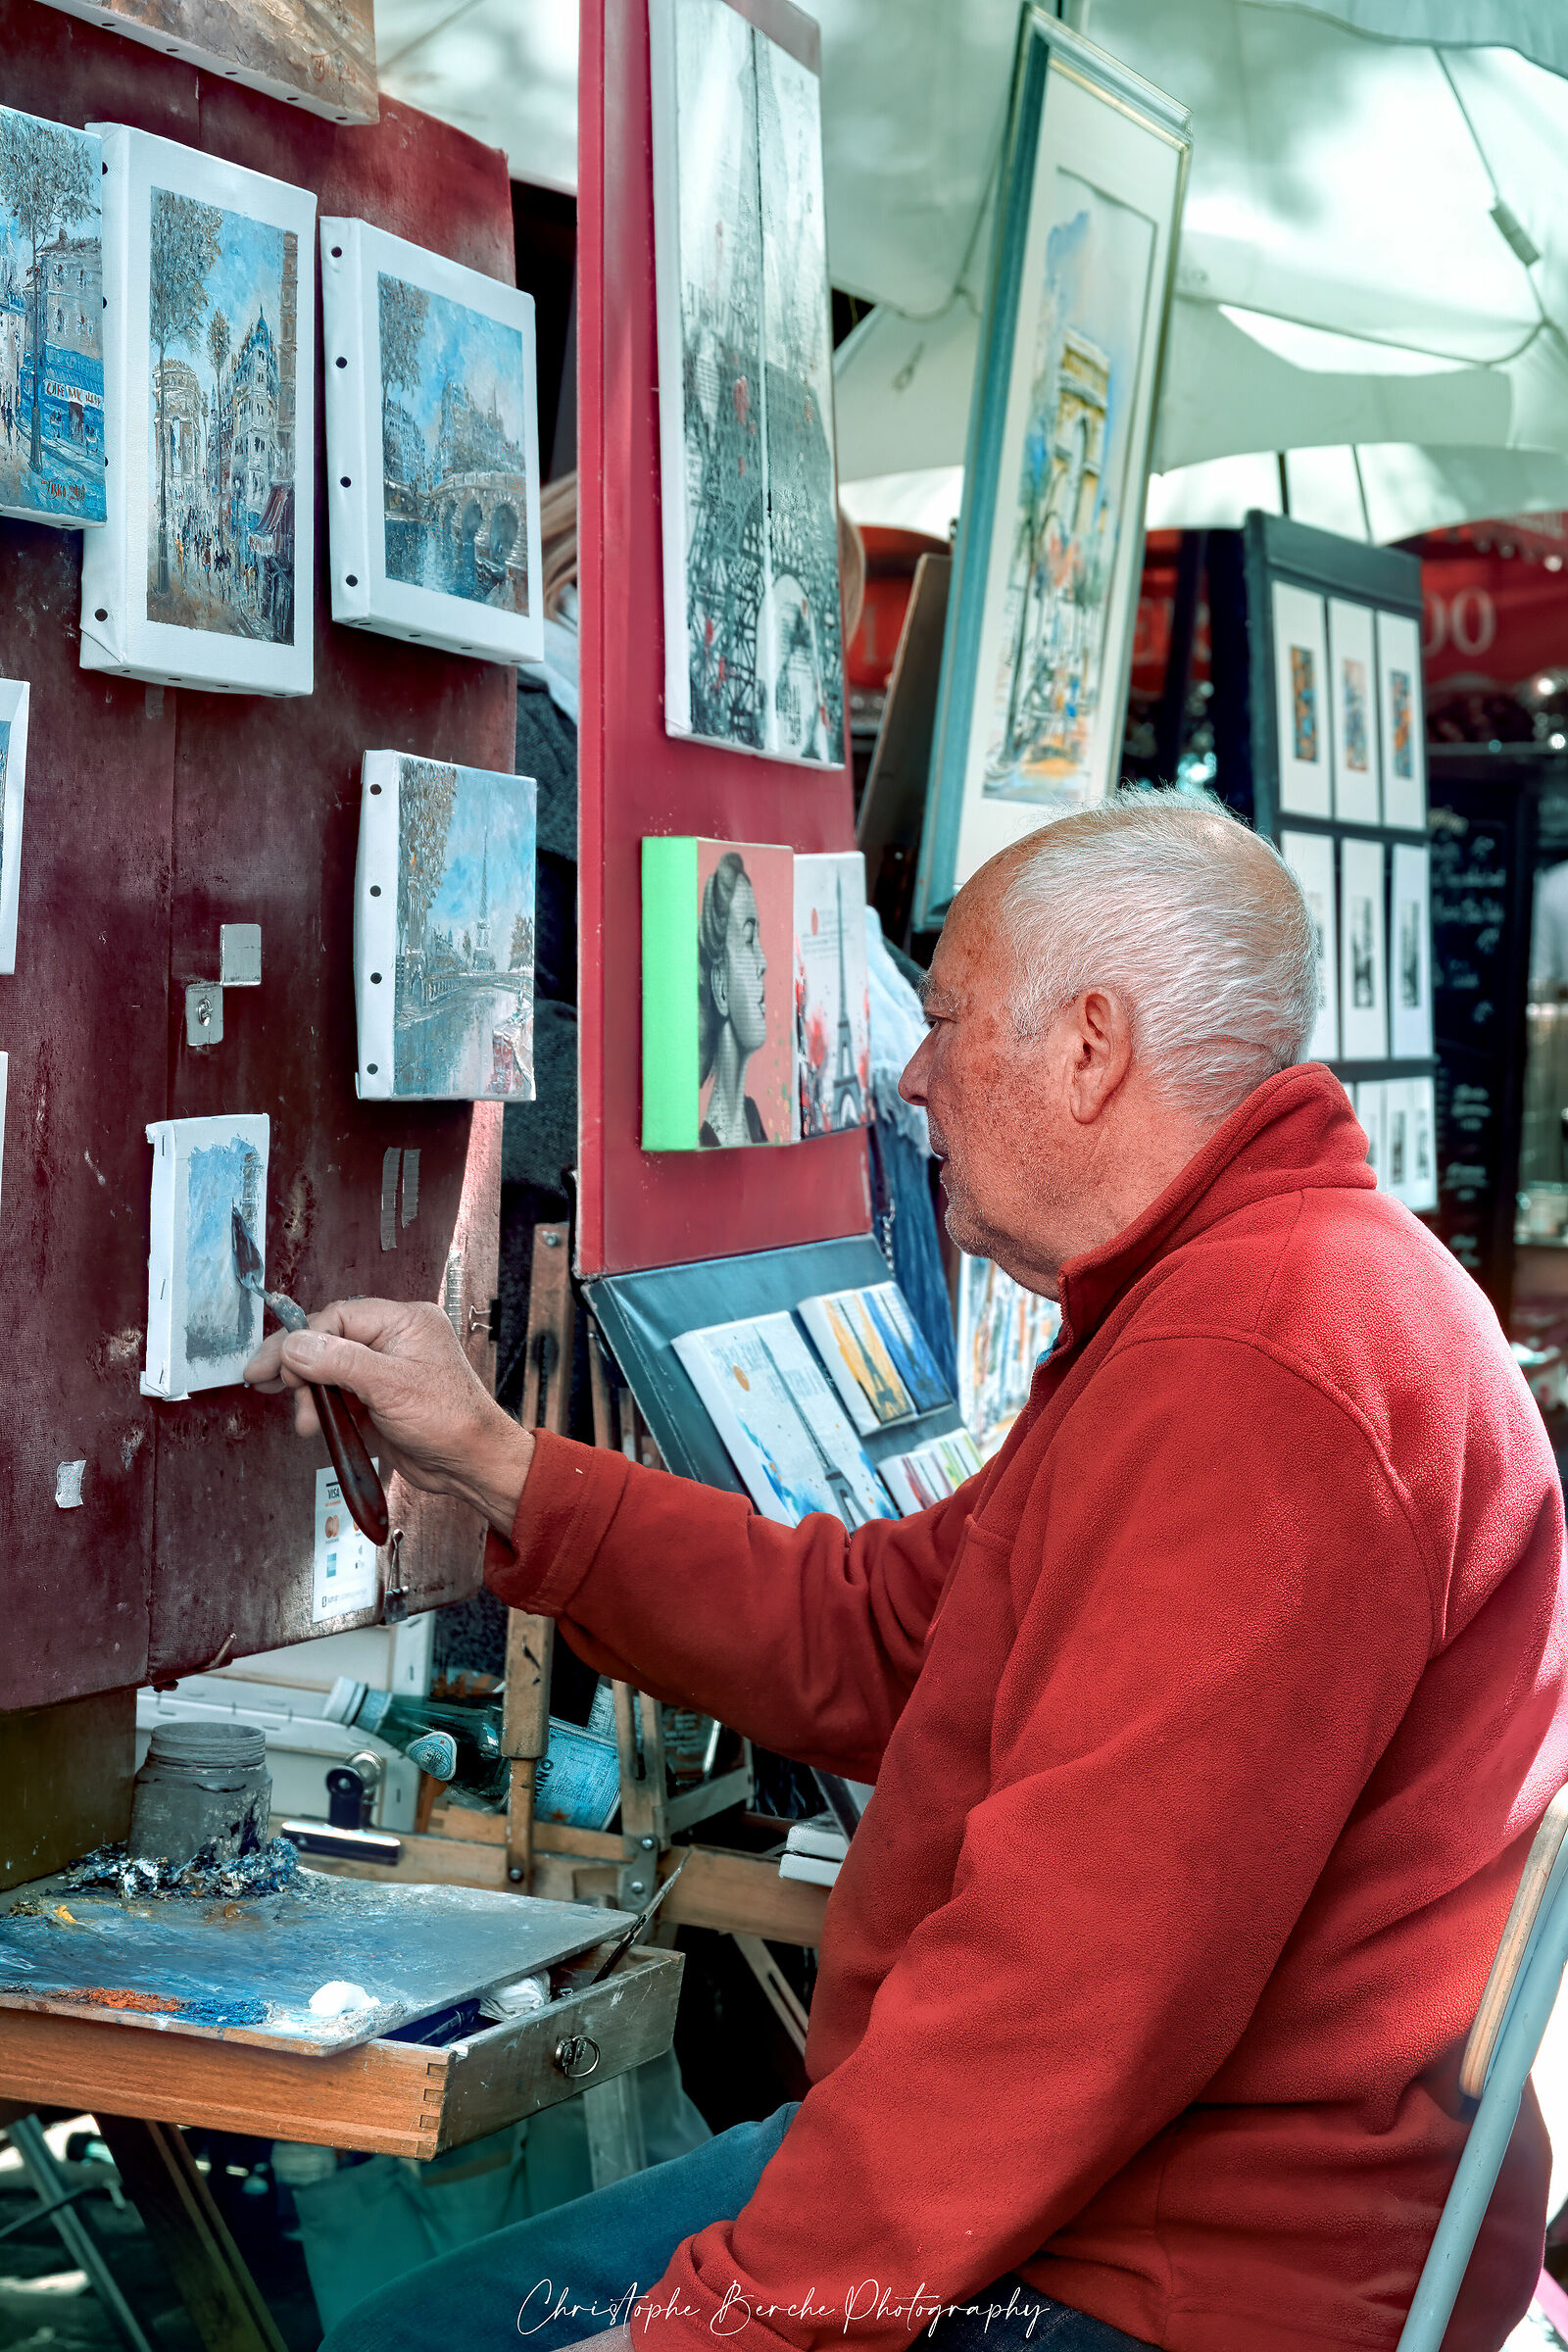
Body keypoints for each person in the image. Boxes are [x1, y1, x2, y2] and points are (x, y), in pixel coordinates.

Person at [245, 787, 1568, 2352]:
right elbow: (877, 1634)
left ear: (1090, 1047)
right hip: (1103, 2211)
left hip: (1172, 2276)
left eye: (945, 1021)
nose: (911, 1073)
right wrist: (491, 1455)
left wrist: (726, 2324)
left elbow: (1072, 1988)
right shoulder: (1236, 1299)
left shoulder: (1263, 1357)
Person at [698, 849, 771, 1149]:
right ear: (721, 986)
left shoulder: (752, 1116)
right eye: (749, 939)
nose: (763, 961)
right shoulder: (703, 1139)